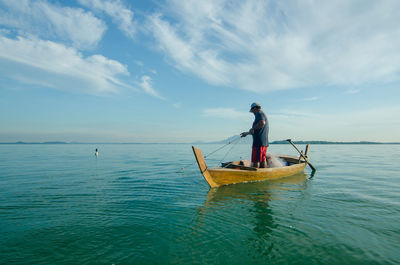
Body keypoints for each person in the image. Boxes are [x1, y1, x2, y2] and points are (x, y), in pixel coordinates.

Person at [240, 102, 269, 168]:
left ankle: (256, 176)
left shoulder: (259, 113)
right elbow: (256, 130)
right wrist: (246, 133)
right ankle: (263, 174)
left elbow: (262, 123)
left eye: (253, 111)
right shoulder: (262, 114)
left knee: (256, 160)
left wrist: (253, 128)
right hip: (263, 142)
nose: (253, 113)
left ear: (255, 108)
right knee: (262, 159)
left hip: (258, 142)